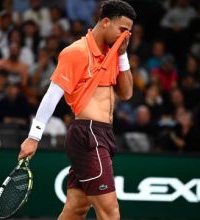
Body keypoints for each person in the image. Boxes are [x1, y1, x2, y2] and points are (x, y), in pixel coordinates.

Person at [18, 1, 136, 219]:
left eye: (129, 32)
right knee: (110, 212)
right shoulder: (77, 52)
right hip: (88, 134)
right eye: (122, 30)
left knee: (76, 209)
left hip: (103, 134)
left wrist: (122, 54)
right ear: (106, 22)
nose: (126, 36)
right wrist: (33, 137)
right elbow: (52, 95)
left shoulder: (114, 53)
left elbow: (127, 93)